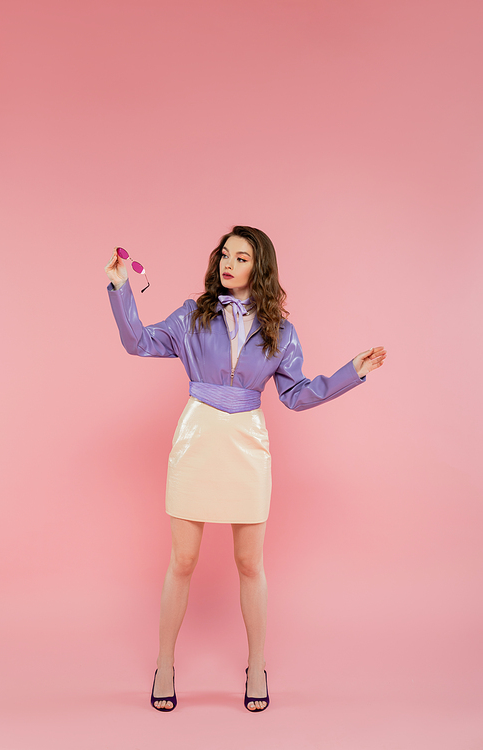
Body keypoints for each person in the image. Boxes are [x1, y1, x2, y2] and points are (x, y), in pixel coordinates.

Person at [105, 225, 386, 713]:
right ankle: (165, 663)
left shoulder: (282, 329)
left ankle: (257, 666)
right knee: (184, 562)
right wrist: (120, 287)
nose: (228, 264)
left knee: (250, 564)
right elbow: (139, 342)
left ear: (260, 267)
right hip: (197, 439)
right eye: (224, 256)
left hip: (246, 444)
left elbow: (296, 395)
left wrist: (350, 373)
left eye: (241, 257)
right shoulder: (192, 315)